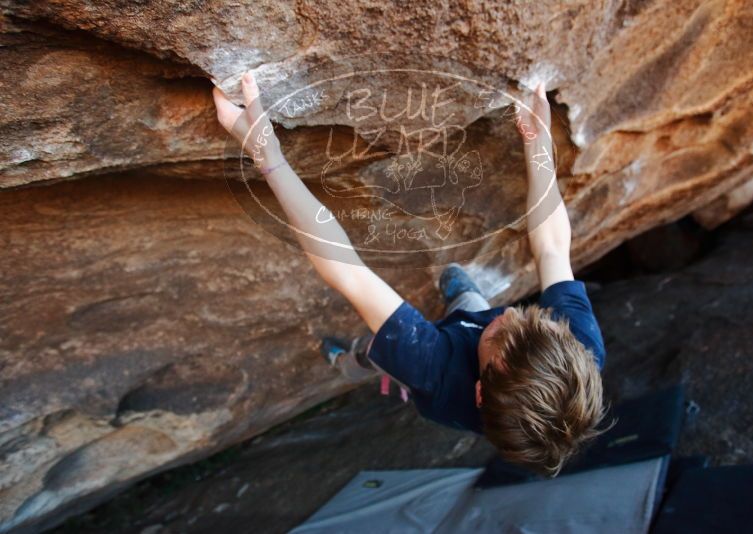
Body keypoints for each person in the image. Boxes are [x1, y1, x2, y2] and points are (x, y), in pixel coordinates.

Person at [212, 72, 607, 477]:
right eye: (527, 315)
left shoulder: (435, 372)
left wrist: (269, 157)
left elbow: (350, 273)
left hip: (436, 364)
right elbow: (554, 247)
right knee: (467, 300)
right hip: (471, 336)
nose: (508, 315)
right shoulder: (577, 344)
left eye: (499, 336)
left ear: (479, 390)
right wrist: (537, 143)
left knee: (382, 349)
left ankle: (354, 363)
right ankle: (459, 299)